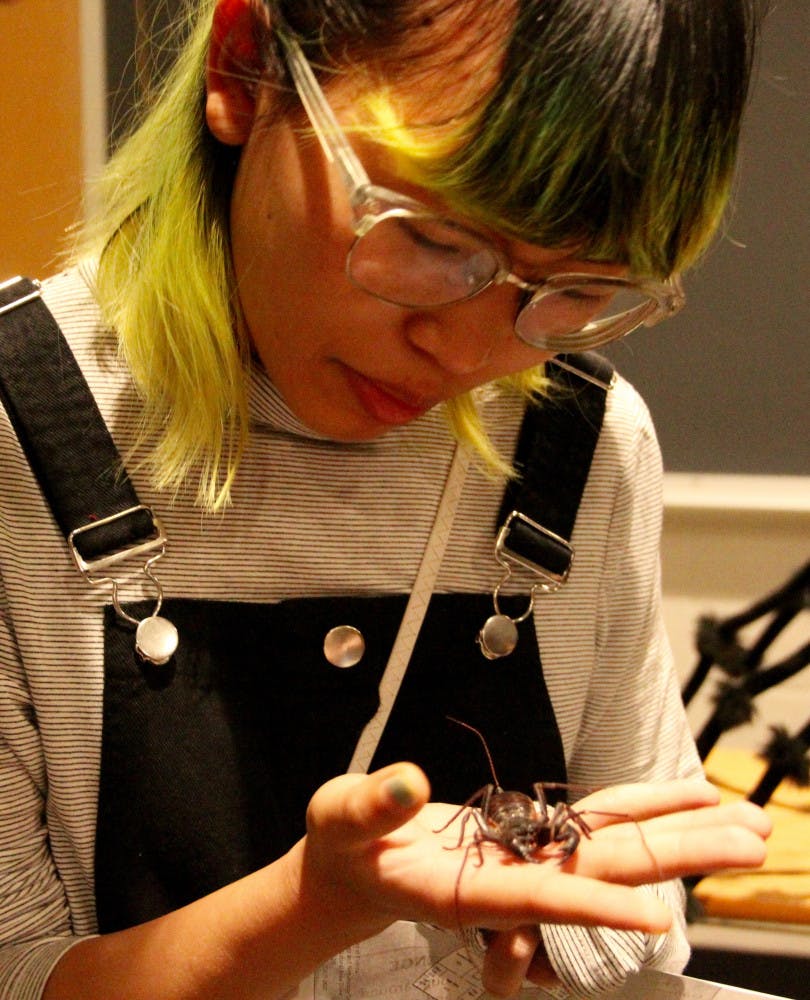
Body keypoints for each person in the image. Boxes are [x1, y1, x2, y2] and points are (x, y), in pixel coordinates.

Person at [0, 1, 772, 998]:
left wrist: (549, 943)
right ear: (243, 68)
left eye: (579, 290)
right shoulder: (20, 434)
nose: (474, 353)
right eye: (430, 240)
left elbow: (637, 934)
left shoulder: (584, 445)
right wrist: (314, 907)